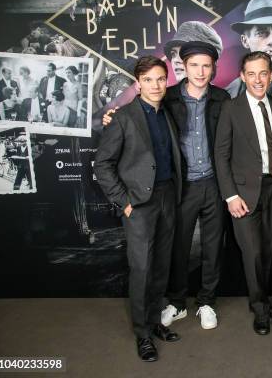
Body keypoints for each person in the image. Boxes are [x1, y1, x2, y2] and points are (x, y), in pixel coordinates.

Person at [94, 56, 182, 362]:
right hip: (139, 204)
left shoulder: (166, 112)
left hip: (168, 196)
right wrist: (124, 201)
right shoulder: (123, 117)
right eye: (148, 80)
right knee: (142, 269)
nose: (156, 85)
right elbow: (102, 164)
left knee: (160, 267)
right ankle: (143, 334)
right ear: (138, 83)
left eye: (160, 79)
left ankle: (155, 322)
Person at [215, 51, 272, 335]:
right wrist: (230, 196)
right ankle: (259, 308)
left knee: (270, 250)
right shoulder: (231, 109)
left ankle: (269, 299)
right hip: (244, 194)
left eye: (263, 73)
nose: (258, 79)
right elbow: (221, 156)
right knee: (253, 253)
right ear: (242, 76)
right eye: (251, 74)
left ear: (271, 75)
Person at [160, 41, 230, 330]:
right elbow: (140, 120)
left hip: (214, 183)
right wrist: (111, 117)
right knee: (179, 246)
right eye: (194, 65)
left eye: (206, 65)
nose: (200, 71)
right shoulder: (168, 98)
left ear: (213, 68)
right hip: (182, 185)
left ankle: (206, 302)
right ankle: (176, 303)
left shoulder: (222, 98)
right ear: (183, 66)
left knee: (213, 246)